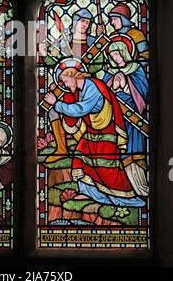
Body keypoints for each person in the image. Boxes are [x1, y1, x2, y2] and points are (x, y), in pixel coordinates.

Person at [44, 64, 145, 207]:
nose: (65, 85)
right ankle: (90, 193)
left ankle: (126, 198)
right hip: (93, 132)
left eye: (65, 80)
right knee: (81, 157)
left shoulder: (92, 86)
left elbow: (81, 109)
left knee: (106, 167)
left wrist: (56, 103)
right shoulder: (82, 89)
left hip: (105, 133)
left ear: (73, 74)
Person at [103, 39, 149, 196]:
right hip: (116, 120)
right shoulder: (109, 73)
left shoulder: (137, 70)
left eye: (117, 53)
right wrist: (113, 87)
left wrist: (126, 85)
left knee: (134, 152)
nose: (115, 57)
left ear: (124, 52)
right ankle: (121, 187)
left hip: (134, 122)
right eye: (112, 55)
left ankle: (140, 187)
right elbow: (102, 96)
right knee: (116, 151)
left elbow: (143, 94)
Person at [39, 8, 102, 73]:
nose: (85, 25)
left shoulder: (93, 42)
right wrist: (44, 54)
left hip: (87, 78)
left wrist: (82, 71)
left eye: (87, 22)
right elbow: (55, 62)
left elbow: (99, 63)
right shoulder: (64, 41)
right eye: (82, 21)